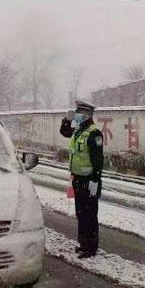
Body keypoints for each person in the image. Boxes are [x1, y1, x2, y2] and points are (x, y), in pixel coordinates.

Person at [60, 99, 103, 258]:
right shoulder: (78, 130)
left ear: (87, 115)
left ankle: (91, 247)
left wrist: (95, 180)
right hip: (77, 178)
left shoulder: (94, 133)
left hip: (89, 180)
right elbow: (65, 132)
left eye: (79, 113)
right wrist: (67, 119)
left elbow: (98, 159)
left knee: (90, 214)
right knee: (81, 213)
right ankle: (83, 243)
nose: (77, 115)